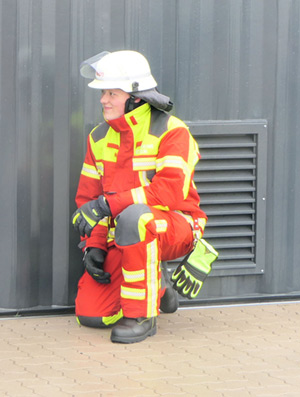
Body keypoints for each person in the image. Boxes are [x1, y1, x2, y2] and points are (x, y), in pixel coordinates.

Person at [71, 50, 208, 343]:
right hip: (124, 234)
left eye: (111, 93)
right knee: (92, 315)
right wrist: (93, 245)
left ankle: (142, 317)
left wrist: (109, 204)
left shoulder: (172, 132)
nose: (103, 100)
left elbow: (168, 192)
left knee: (136, 216)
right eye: (103, 93)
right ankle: (159, 288)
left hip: (174, 227)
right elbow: (88, 199)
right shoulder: (98, 137)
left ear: (135, 97)